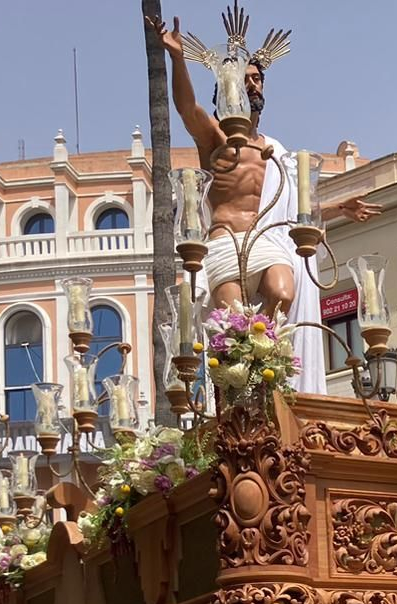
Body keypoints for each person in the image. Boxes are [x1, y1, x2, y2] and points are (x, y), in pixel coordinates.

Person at [150, 9, 380, 391]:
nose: (253, 86)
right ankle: (243, 391)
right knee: (232, 328)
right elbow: (187, 109)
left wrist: (340, 208)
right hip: (225, 241)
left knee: (282, 293)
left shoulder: (277, 151)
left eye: (257, 79)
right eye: (245, 80)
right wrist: (176, 58)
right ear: (227, 89)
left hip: (266, 241)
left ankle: (266, 365)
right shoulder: (215, 138)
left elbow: (296, 207)